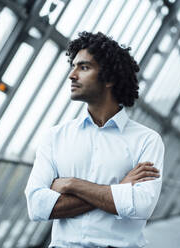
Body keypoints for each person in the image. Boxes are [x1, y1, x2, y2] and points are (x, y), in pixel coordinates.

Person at [25, 31, 165, 248]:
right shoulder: (54, 137)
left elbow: (141, 205)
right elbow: (37, 207)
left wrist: (72, 184)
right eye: (73, 66)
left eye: (84, 67)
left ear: (109, 78)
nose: (72, 75)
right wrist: (119, 189)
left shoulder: (147, 140)